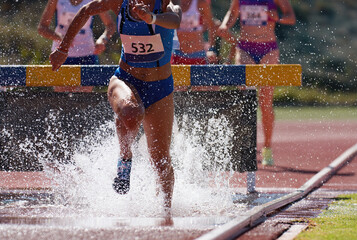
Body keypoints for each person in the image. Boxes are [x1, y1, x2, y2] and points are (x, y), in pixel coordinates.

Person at [49, 0, 182, 211]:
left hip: (160, 88)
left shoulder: (165, 4)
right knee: (131, 112)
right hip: (126, 79)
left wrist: (151, 18)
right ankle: (125, 158)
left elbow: (175, 19)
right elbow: (86, 10)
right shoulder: (121, 2)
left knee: (161, 159)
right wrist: (63, 48)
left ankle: (166, 212)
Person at [218, 0, 296, 166]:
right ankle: (243, 145)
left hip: (268, 49)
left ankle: (267, 147)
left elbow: (290, 18)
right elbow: (232, 13)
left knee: (265, 102)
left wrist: (278, 18)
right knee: (243, 98)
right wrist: (226, 25)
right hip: (245, 47)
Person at [38, 0, 115, 91]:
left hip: (87, 54)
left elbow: (110, 25)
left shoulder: (93, 1)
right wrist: (62, 38)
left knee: (84, 99)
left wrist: (103, 39)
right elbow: (42, 28)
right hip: (60, 54)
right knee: (61, 99)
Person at [171, 0, 217, 65]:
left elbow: (211, 26)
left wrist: (211, 49)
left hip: (197, 54)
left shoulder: (200, 3)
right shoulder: (172, 3)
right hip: (177, 54)